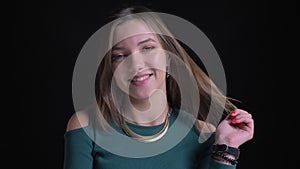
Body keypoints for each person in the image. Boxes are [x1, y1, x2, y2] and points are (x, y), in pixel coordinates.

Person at [63, 5, 254, 169]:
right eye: (119, 55)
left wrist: (227, 146)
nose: (136, 63)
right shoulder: (86, 126)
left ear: (169, 58)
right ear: (112, 70)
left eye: (147, 47)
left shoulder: (202, 133)